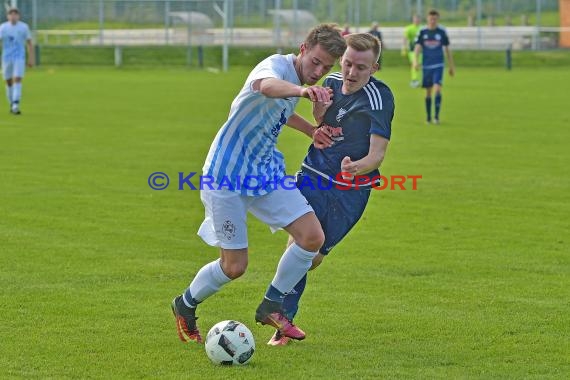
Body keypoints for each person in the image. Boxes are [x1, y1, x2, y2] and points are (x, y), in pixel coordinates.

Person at [170, 24, 347, 344]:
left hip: (264, 171)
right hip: (226, 174)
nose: (319, 72)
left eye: (327, 67)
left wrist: (311, 130)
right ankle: (185, 304)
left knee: (312, 237)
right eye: (316, 62)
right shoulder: (277, 66)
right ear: (303, 49)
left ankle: (272, 305)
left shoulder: (297, 81)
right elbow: (265, 87)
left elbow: (281, 111)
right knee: (234, 266)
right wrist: (303, 92)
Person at [266, 33, 395, 346]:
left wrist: (357, 166)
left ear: (374, 68)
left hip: (350, 190)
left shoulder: (379, 99)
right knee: (300, 244)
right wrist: (318, 114)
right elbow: (320, 119)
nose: (351, 72)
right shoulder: (333, 81)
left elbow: (377, 154)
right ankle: (280, 319)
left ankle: (278, 306)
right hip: (313, 173)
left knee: (314, 258)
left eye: (360, 68)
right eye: (348, 63)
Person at [413, 9, 455, 124]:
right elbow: (417, 47)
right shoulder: (422, 31)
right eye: (431, 18)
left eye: (435, 19)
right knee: (428, 92)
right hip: (426, 66)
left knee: (437, 89)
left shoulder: (441, 32)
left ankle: (436, 117)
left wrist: (451, 66)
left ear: (438, 19)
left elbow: (447, 49)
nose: (433, 21)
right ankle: (428, 117)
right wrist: (415, 61)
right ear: (427, 19)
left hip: (438, 65)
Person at [0, 7, 33, 115]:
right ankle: (12, 103)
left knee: (17, 79)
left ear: (18, 16)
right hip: (6, 58)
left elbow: (29, 43)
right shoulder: (3, 27)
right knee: (8, 82)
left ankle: (15, 104)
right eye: (11, 14)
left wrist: (31, 58)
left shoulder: (24, 27)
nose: (13, 16)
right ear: (7, 16)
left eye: (15, 14)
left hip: (19, 57)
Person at [402, 14, 422, 88]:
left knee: (419, 65)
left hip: (421, 51)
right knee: (415, 64)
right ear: (413, 20)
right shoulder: (409, 28)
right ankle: (414, 80)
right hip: (412, 50)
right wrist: (404, 48)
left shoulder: (422, 28)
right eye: (415, 19)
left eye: (418, 19)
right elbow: (405, 38)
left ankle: (417, 80)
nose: (416, 20)